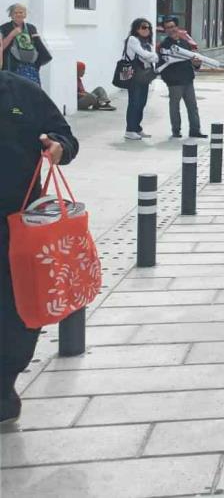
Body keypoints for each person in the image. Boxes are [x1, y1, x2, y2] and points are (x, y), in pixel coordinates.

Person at [1, 71, 78, 423]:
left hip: (16, 224)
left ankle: (4, 384)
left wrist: (59, 146)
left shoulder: (21, 91)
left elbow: (64, 135)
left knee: (17, 308)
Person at [159, 16, 206, 139]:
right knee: (174, 107)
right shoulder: (164, 45)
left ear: (177, 27)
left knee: (192, 106)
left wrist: (196, 64)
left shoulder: (184, 42)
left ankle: (195, 130)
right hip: (174, 82)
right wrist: (168, 80)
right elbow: (160, 65)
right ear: (165, 30)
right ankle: (176, 130)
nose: (171, 29)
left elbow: (192, 59)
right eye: (168, 27)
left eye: (173, 26)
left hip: (188, 79)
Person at [123, 18, 159, 141]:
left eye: (148, 27)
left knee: (142, 103)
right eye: (143, 27)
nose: (146, 30)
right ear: (136, 28)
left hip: (143, 77)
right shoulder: (133, 40)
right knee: (134, 102)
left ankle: (137, 128)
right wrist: (152, 56)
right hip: (133, 76)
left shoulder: (146, 43)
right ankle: (130, 130)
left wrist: (151, 56)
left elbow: (152, 58)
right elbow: (145, 55)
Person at [1, 4, 52, 85]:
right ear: (10, 15)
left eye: (21, 12)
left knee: (32, 91)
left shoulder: (31, 28)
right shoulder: (4, 28)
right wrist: (11, 35)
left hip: (31, 67)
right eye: (15, 13)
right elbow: (1, 47)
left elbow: (38, 45)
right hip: (13, 67)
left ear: (25, 14)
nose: (18, 14)